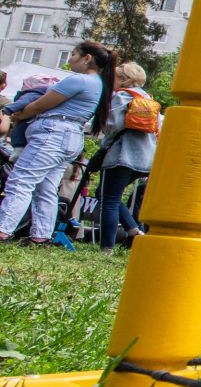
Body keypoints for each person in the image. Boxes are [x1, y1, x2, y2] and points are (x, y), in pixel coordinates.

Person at [0, 42, 114, 244]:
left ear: (86, 58)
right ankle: (41, 236)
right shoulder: (98, 84)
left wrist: (20, 115)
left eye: (73, 54)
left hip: (52, 135)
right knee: (46, 188)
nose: (70, 59)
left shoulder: (79, 80)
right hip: (69, 137)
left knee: (21, 181)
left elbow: (40, 104)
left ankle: (3, 229)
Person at [96, 60, 159, 251]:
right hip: (143, 158)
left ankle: (106, 247)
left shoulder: (122, 97)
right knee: (106, 194)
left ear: (125, 80)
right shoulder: (147, 98)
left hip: (121, 154)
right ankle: (133, 229)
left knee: (109, 200)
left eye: (115, 76)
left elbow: (111, 125)